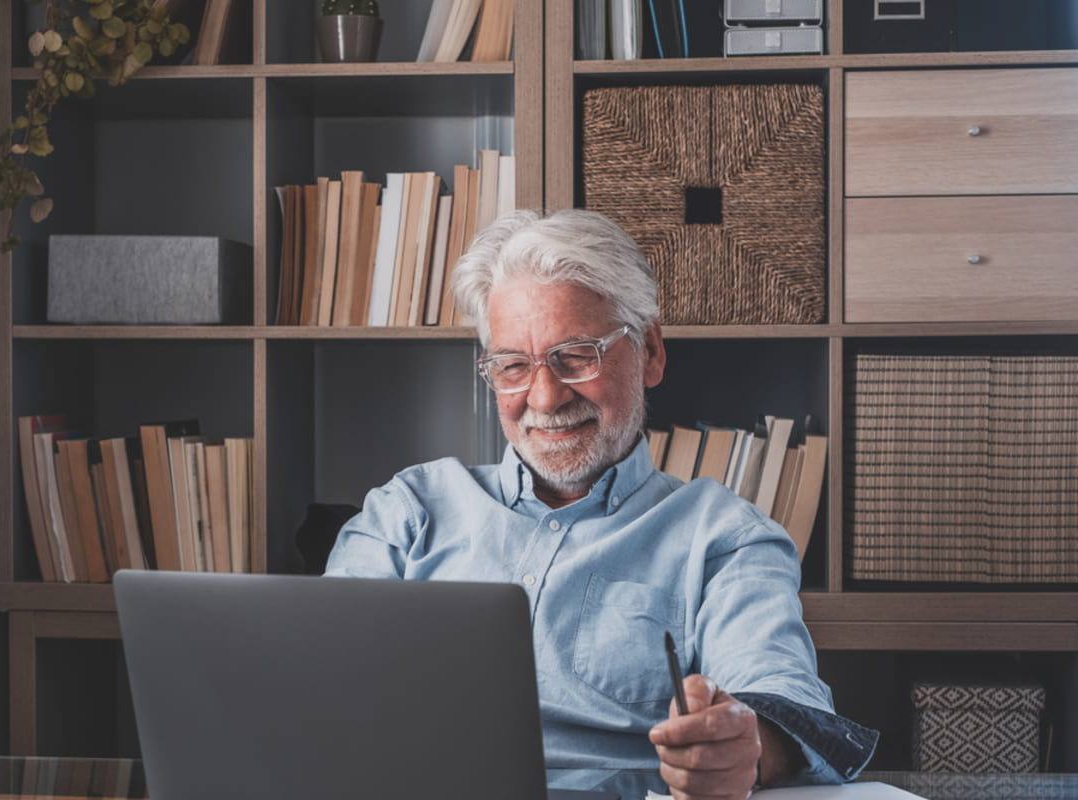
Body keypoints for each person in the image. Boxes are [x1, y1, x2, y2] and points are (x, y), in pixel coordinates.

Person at [323, 208, 878, 799]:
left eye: (577, 355)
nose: (544, 396)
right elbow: (316, 681)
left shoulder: (724, 538)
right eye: (513, 366)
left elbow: (782, 698)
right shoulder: (408, 512)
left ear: (651, 353)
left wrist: (748, 745)